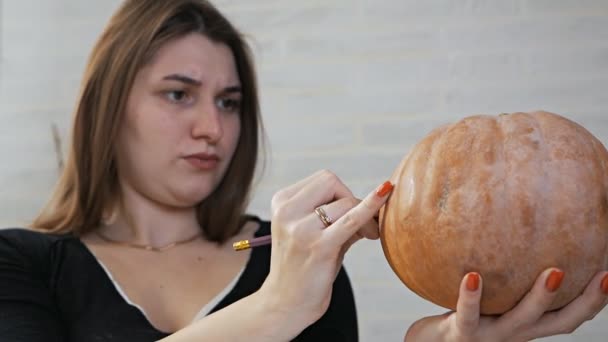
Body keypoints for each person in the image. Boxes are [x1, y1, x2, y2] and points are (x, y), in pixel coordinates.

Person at [0, 0, 606, 341]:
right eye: (179, 94)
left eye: (229, 102)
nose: (213, 127)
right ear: (108, 108)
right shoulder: (20, 263)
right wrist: (277, 306)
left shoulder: (293, 262)